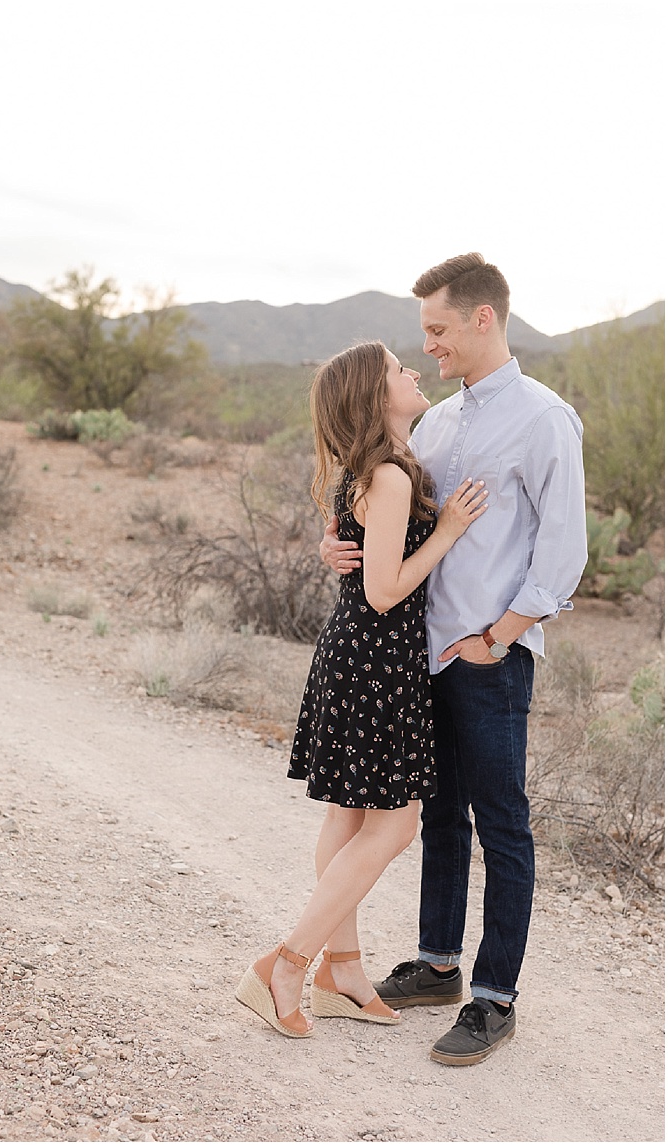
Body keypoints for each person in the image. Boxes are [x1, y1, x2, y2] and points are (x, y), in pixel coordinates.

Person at [320, 253, 587, 1065]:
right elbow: (390, 516)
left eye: (437, 330)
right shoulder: (434, 424)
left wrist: (499, 636)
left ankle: (494, 996)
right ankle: (437, 962)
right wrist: (340, 544)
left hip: (490, 657)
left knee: (502, 825)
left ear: (482, 319)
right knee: (438, 815)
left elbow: (563, 551)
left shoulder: (545, 419)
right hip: (419, 657)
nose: (428, 346)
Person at [236, 340, 488, 1038]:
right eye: (396, 370)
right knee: (396, 824)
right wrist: (448, 531)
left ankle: (341, 971)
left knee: (348, 820)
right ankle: (284, 963)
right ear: (378, 398)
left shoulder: (370, 470)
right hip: (377, 660)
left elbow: (359, 562)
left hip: (355, 657)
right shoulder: (391, 476)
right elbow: (384, 590)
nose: (412, 371)